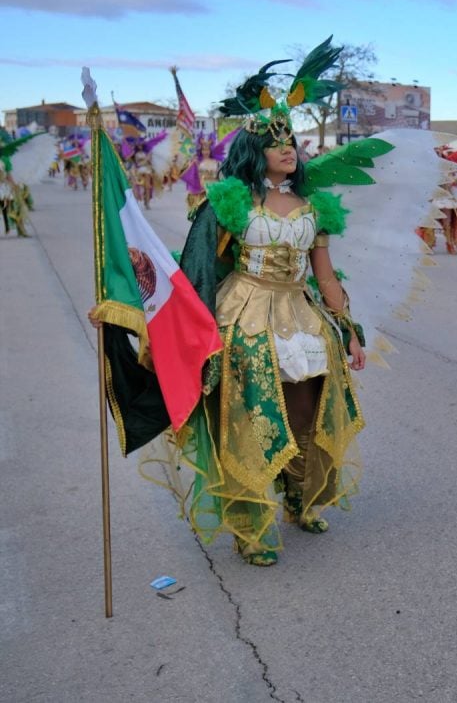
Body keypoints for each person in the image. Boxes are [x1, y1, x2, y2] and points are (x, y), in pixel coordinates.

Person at [109, 40, 368, 567]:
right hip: (244, 317)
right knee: (253, 416)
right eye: (276, 142)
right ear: (256, 151)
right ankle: (251, 521)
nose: (288, 148)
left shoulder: (314, 207)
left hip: (302, 316)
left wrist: (349, 329)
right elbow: (197, 268)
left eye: (291, 140)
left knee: (305, 409)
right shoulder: (231, 202)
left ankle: (298, 495)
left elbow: (324, 276)